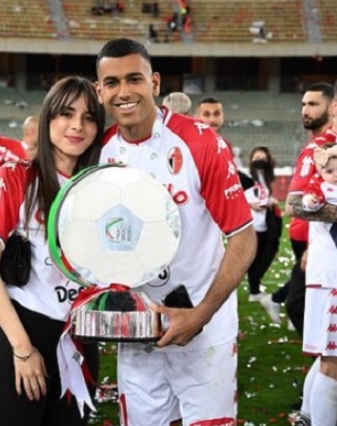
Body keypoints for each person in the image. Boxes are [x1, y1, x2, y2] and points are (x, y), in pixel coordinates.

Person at [95, 38, 256, 425]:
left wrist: (201, 314)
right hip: (136, 334)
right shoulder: (98, 152)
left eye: (134, 79)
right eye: (112, 83)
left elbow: (243, 237)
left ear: (154, 82)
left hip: (204, 328)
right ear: (99, 91)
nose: (124, 92)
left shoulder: (200, 141)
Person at [0, 76, 105, 426]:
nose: (77, 125)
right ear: (47, 119)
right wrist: (22, 348)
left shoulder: (104, 189)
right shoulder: (17, 177)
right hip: (21, 337)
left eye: (89, 117)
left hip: (80, 343)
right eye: (65, 114)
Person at [264, 82, 334, 335]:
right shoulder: (314, 147)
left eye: (313, 104)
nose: (305, 110)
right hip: (307, 241)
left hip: (321, 245)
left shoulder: (327, 149)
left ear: (332, 107)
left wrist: (314, 245)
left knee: (299, 307)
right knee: (301, 307)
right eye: (304, 104)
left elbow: (295, 204)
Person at [293, 143, 337, 426]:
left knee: (328, 357)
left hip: (326, 279)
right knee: (333, 364)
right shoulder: (319, 191)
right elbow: (296, 205)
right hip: (331, 281)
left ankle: (307, 416)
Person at [243, 147, 282, 306]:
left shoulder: (266, 177)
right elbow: (234, 197)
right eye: (257, 157)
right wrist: (250, 205)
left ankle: (254, 288)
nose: (260, 160)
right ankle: (254, 290)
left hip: (267, 223)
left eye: (263, 158)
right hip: (251, 226)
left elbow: (264, 194)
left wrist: (271, 201)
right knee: (254, 258)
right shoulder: (244, 176)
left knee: (267, 254)